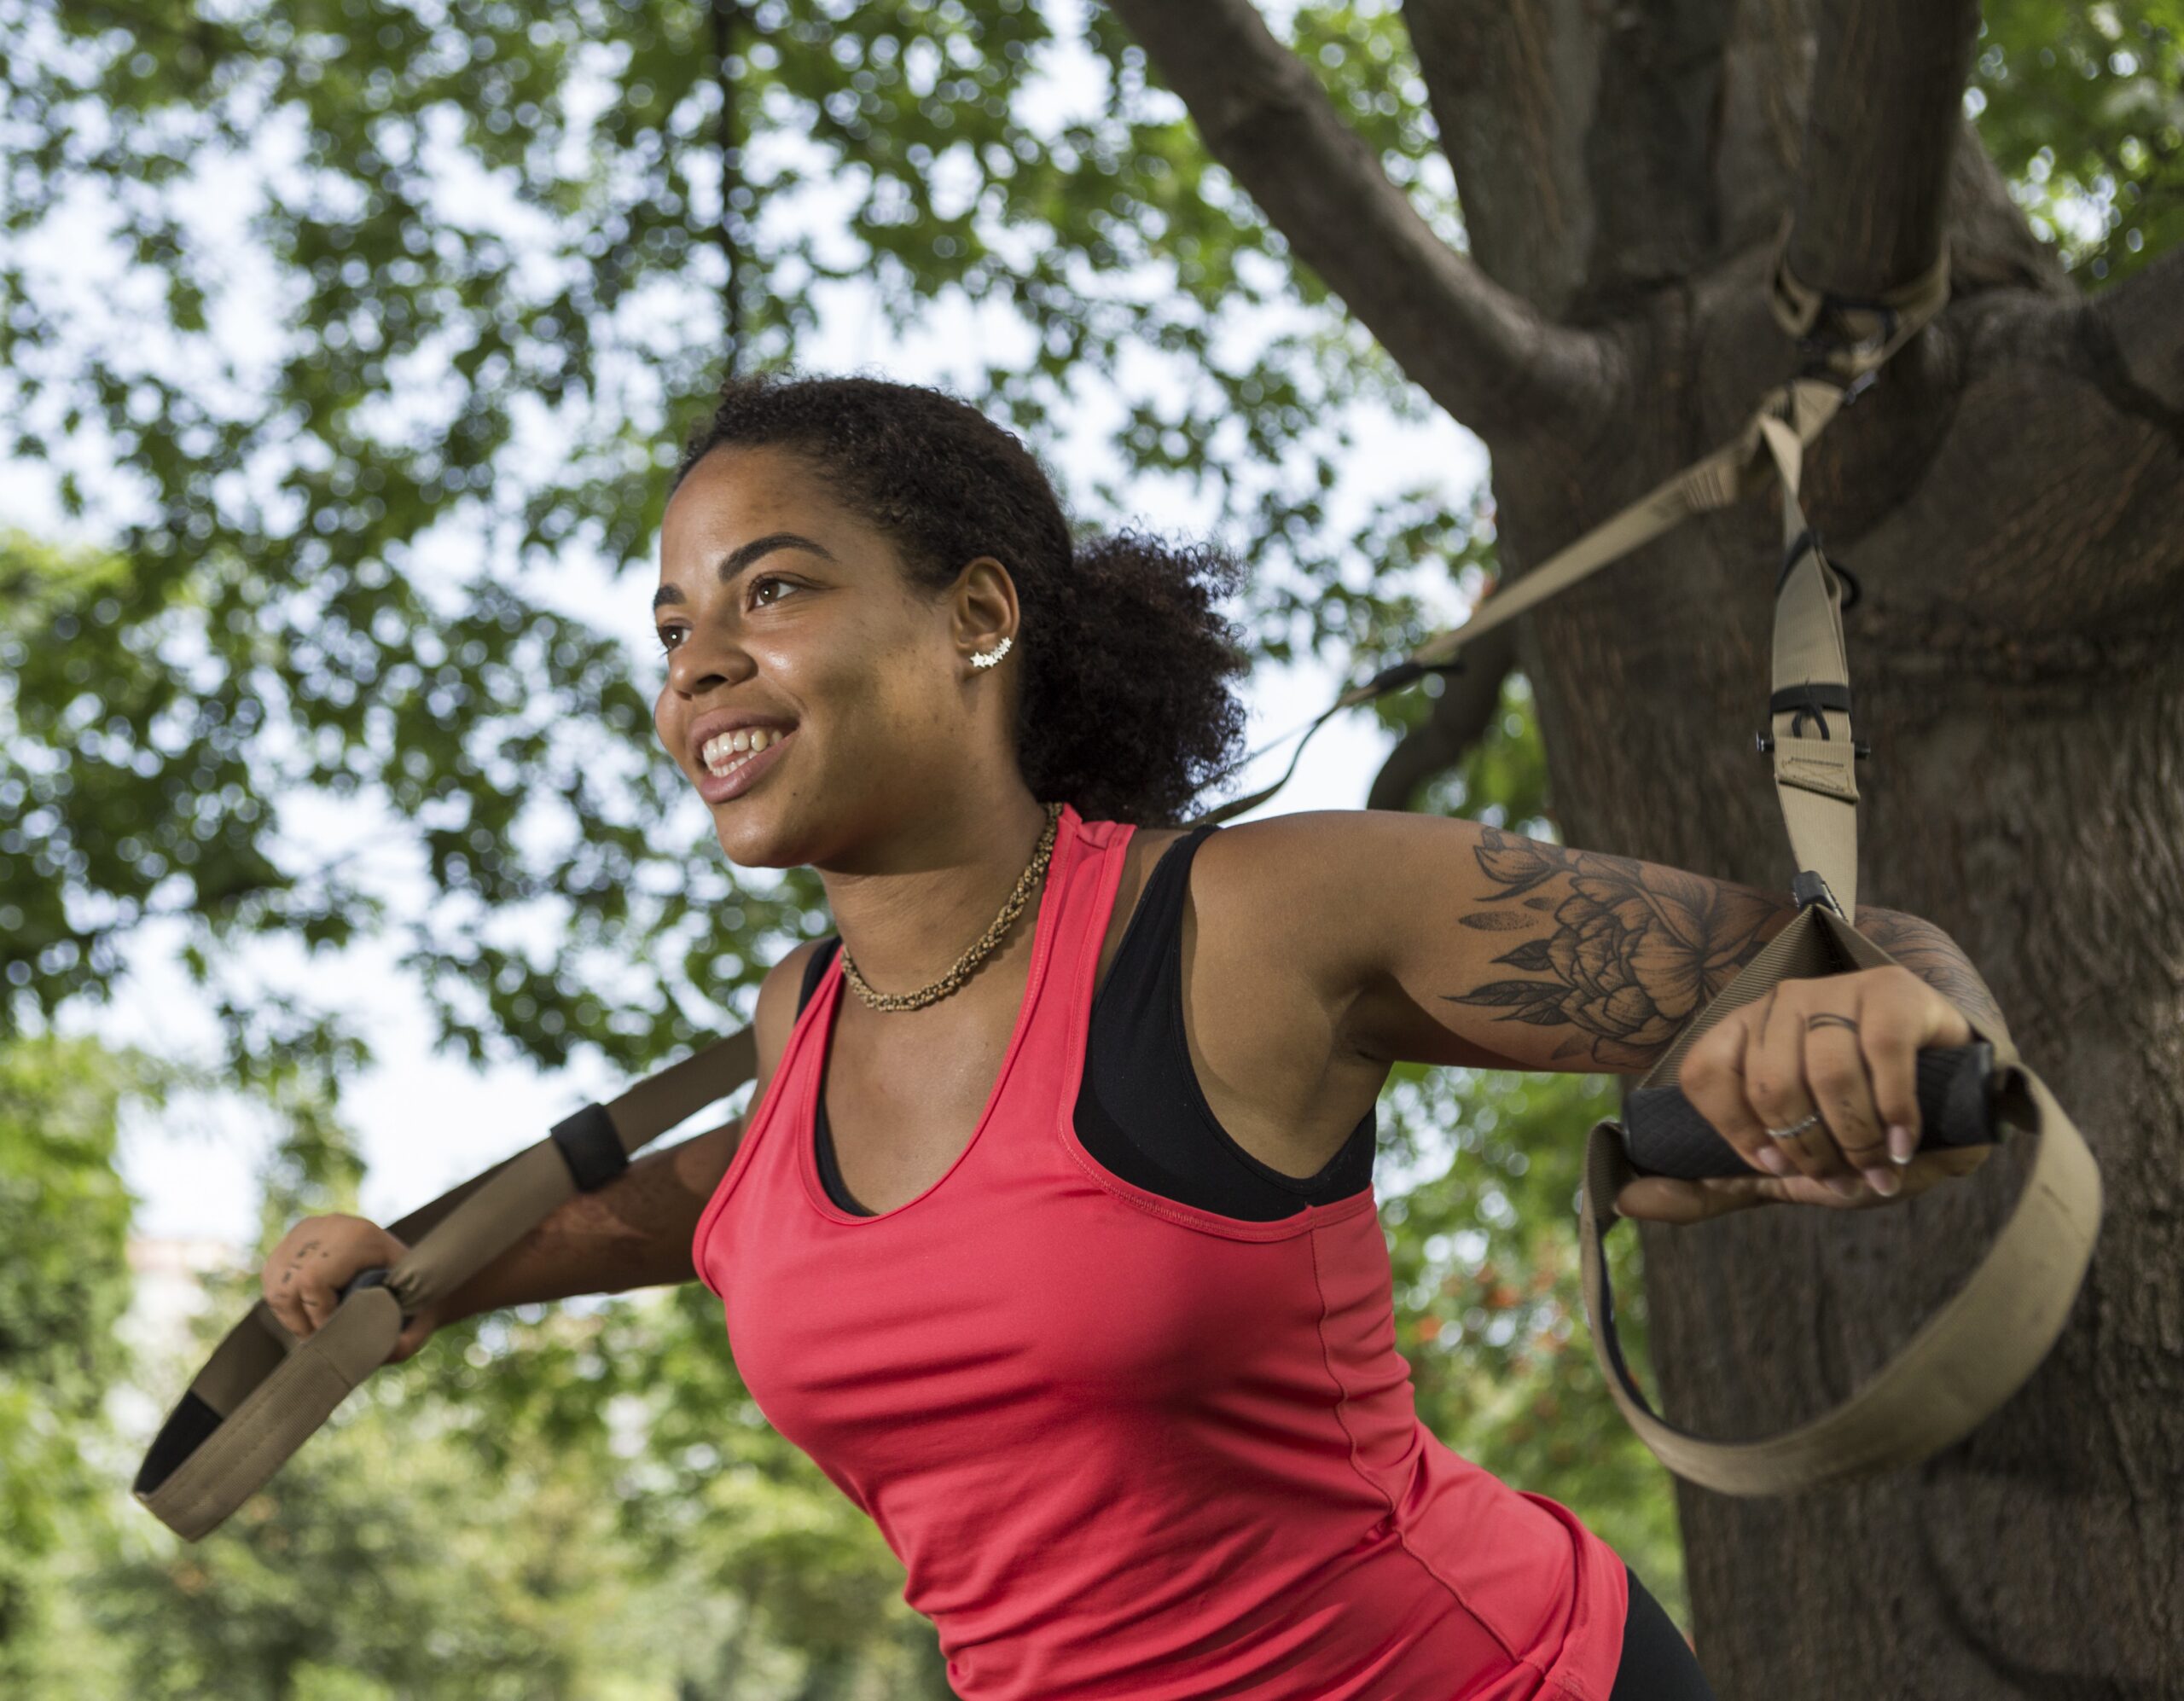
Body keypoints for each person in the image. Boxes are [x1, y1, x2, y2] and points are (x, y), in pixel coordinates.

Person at [264, 373, 1998, 1700]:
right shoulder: (805, 1022)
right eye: (672, 628)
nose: (697, 665)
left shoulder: (1249, 923)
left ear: (975, 618)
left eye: (770, 592)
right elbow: (736, 1203)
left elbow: (1837, 959)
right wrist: (431, 1265)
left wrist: (1889, 1017)